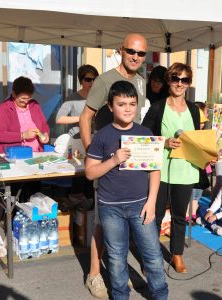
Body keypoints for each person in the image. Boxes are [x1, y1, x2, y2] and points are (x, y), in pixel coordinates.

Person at [79, 33, 148, 298]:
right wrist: (91, 154)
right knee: (102, 224)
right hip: (108, 163)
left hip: (130, 165)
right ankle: (94, 274)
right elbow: (85, 119)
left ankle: (118, 273)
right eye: (131, 51)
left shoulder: (140, 82)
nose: (136, 57)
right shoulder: (104, 80)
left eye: (141, 53)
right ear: (121, 50)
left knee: (126, 223)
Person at [85, 81, 168, 300]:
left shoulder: (144, 132)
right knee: (116, 257)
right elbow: (90, 173)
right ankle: (121, 295)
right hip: (110, 208)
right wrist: (113, 160)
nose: (128, 108)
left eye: (132, 103)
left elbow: (155, 171)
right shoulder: (102, 136)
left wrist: (151, 202)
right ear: (111, 107)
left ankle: (160, 295)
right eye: (122, 104)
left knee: (152, 255)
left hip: (141, 204)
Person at [142, 62, 200, 273]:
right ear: (168, 80)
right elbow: (143, 134)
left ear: (189, 83)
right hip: (161, 170)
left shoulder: (194, 109)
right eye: (175, 78)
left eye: (184, 80)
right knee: (155, 215)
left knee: (178, 216)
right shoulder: (158, 107)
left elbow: (198, 139)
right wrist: (163, 141)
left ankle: (177, 255)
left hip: (186, 170)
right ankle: (152, 256)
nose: (179, 83)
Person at [0, 76, 49, 153]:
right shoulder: (4, 109)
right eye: (23, 98)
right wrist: (22, 135)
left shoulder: (35, 105)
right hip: (15, 155)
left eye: (29, 98)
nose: (26, 101)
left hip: (37, 153)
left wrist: (45, 133)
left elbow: (44, 125)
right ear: (14, 94)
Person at [56, 64, 99, 137]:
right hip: (76, 138)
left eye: (95, 79)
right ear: (80, 81)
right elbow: (59, 119)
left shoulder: (100, 97)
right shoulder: (72, 98)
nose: (92, 82)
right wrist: (82, 118)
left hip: (95, 138)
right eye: (88, 79)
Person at [186, 103, 210, 222]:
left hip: (202, 168)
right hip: (191, 167)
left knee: (197, 193)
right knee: (191, 191)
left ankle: (193, 213)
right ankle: (187, 213)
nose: (202, 124)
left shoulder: (205, 133)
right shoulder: (189, 132)